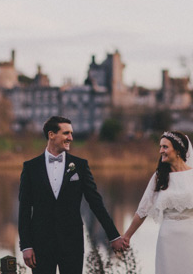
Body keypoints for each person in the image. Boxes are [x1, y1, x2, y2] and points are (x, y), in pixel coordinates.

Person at [18, 116, 126, 274]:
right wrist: (26, 246)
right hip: (41, 244)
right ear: (51, 135)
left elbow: (96, 203)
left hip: (72, 243)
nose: (71, 138)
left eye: (71, 133)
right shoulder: (30, 168)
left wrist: (114, 236)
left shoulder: (80, 166)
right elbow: (24, 210)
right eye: (66, 133)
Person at [123, 130, 193, 274]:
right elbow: (142, 210)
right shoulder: (159, 177)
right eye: (160, 147)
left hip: (192, 236)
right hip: (167, 236)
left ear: (178, 150)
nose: (160, 150)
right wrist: (126, 236)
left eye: (165, 147)